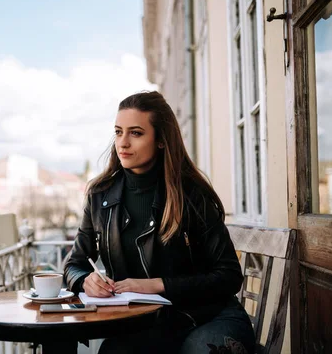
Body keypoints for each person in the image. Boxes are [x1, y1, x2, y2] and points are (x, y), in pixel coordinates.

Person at [63, 91, 255, 354]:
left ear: (162, 140)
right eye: (119, 132)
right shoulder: (100, 196)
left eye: (136, 133)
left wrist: (158, 285)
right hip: (148, 325)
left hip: (210, 317)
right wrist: (85, 280)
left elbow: (229, 276)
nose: (123, 143)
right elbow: (74, 264)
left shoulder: (191, 196)